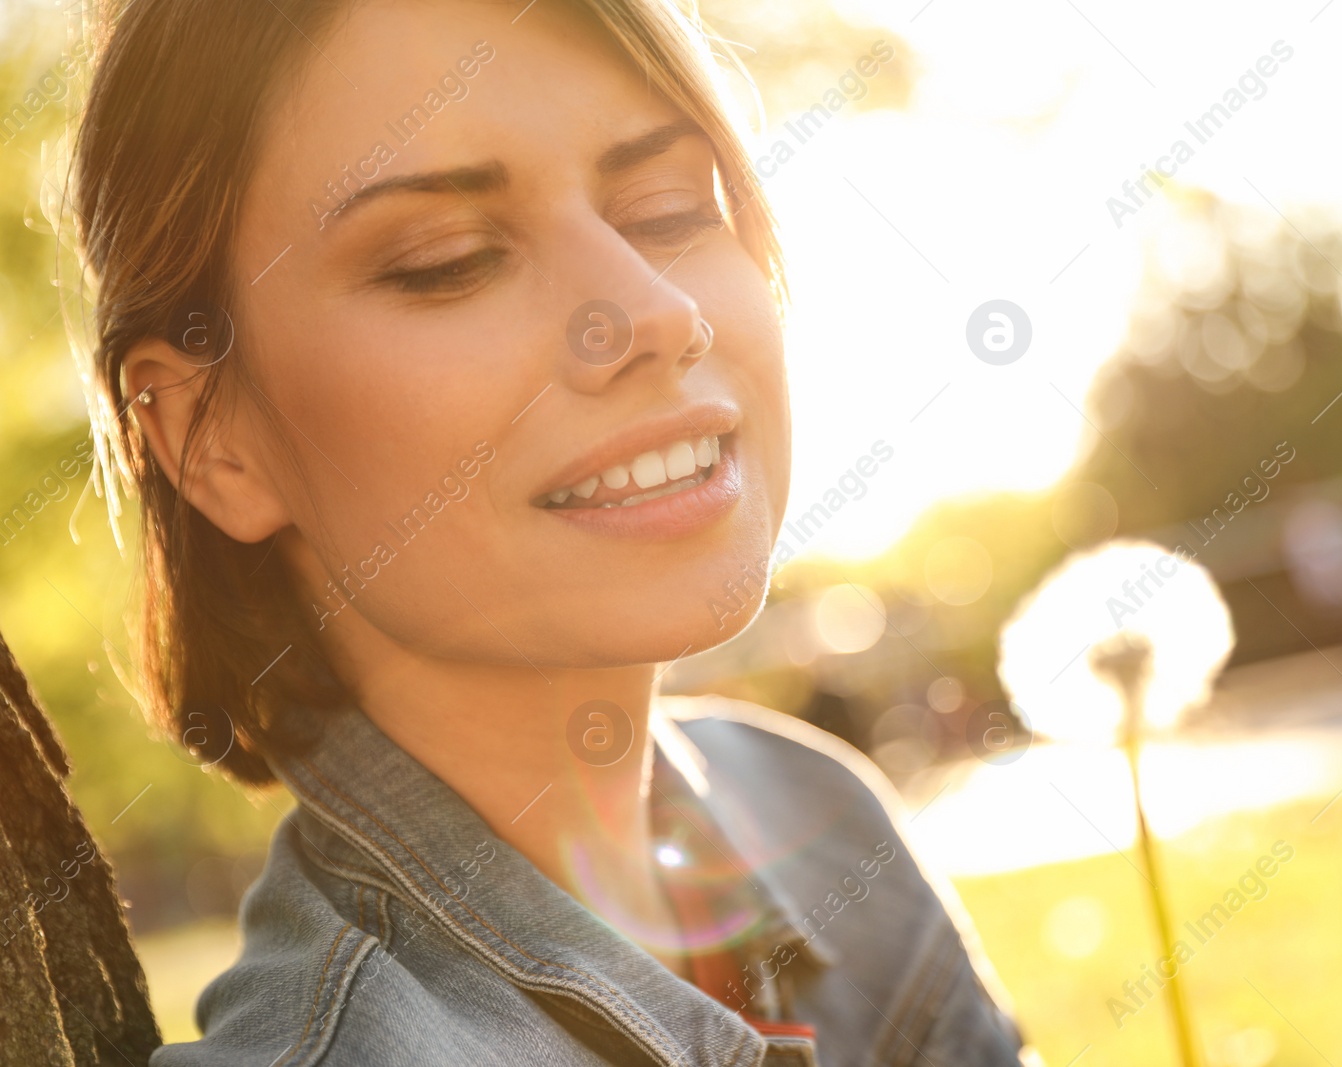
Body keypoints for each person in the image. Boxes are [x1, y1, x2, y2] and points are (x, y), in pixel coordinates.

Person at [68, 0, 1027, 1062]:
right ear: (212, 438)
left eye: (668, 208)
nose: (650, 308)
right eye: (448, 257)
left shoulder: (817, 807)